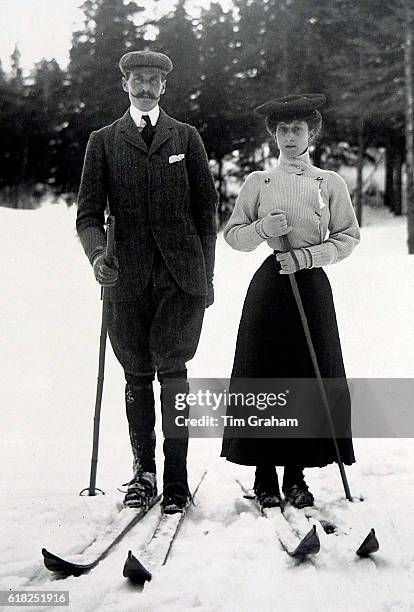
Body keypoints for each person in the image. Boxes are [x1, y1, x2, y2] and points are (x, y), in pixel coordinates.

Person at [76, 51, 218, 514]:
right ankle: (144, 475)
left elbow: (206, 214)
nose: (145, 87)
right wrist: (99, 256)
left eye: (153, 80)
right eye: (137, 79)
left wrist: (206, 277)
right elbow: (87, 216)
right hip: (126, 279)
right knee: (136, 375)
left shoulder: (187, 138)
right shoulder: (103, 141)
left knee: (174, 374)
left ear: (163, 87)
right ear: (125, 85)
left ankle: (176, 480)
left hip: (181, 278)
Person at [221, 94, 360, 509]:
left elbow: (348, 237)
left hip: (311, 286)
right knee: (265, 376)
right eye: (282, 130)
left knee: (306, 375)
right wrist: (263, 227)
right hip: (270, 288)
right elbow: (233, 235)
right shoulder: (258, 182)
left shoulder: (329, 182)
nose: (289, 137)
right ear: (273, 135)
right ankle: (264, 475)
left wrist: (308, 256)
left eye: (297, 129)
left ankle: (296, 475)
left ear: (312, 134)